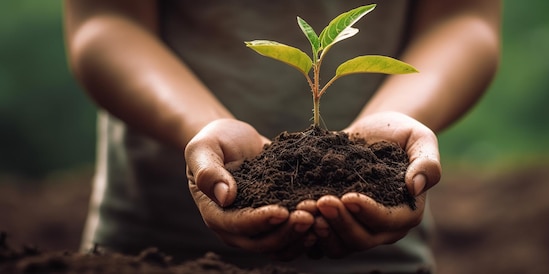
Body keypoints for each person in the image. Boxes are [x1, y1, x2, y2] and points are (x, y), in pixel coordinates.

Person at [64, 0, 500, 273]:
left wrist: (395, 122)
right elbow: (104, 19)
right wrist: (200, 127)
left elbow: (463, 17)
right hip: (154, 247)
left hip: (377, 256)